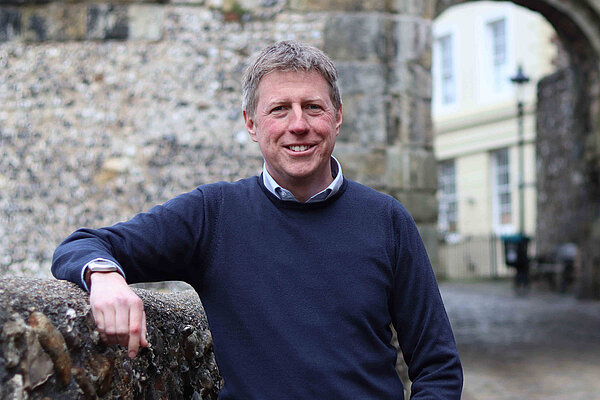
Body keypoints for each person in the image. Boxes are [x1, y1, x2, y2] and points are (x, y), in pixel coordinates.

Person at [52, 40, 463, 399]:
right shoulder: (212, 214)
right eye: (280, 109)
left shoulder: (387, 220)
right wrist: (104, 277)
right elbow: (82, 244)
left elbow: (437, 367)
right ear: (252, 123)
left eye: (313, 108)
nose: (298, 125)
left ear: (337, 116)